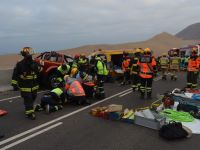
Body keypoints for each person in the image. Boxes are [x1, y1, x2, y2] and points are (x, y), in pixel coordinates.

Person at [11, 47, 42, 120]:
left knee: (33, 97)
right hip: (25, 85)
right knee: (28, 99)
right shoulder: (20, 64)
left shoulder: (34, 63)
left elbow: (39, 71)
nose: (30, 56)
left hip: (34, 85)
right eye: (28, 55)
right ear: (24, 55)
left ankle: (29, 107)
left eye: (30, 55)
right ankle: (29, 113)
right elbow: (15, 74)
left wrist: (36, 67)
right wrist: (14, 84)